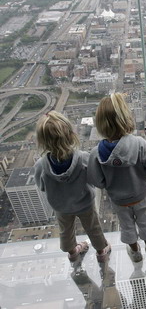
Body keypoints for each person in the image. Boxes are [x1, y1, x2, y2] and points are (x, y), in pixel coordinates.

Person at [88, 93, 146, 263]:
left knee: (127, 226)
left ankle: (135, 253)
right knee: (145, 222)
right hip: (140, 195)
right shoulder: (139, 143)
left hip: (118, 199)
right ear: (125, 118)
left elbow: (97, 181)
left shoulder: (96, 153)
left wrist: (109, 182)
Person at [34, 111, 111, 263]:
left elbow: (42, 186)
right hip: (84, 203)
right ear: (70, 135)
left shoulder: (41, 166)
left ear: (43, 141)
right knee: (93, 227)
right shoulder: (83, 158)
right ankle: (101, 251)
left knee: (66, 231)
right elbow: (95, 179)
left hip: (61, 206)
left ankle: (72, 252)